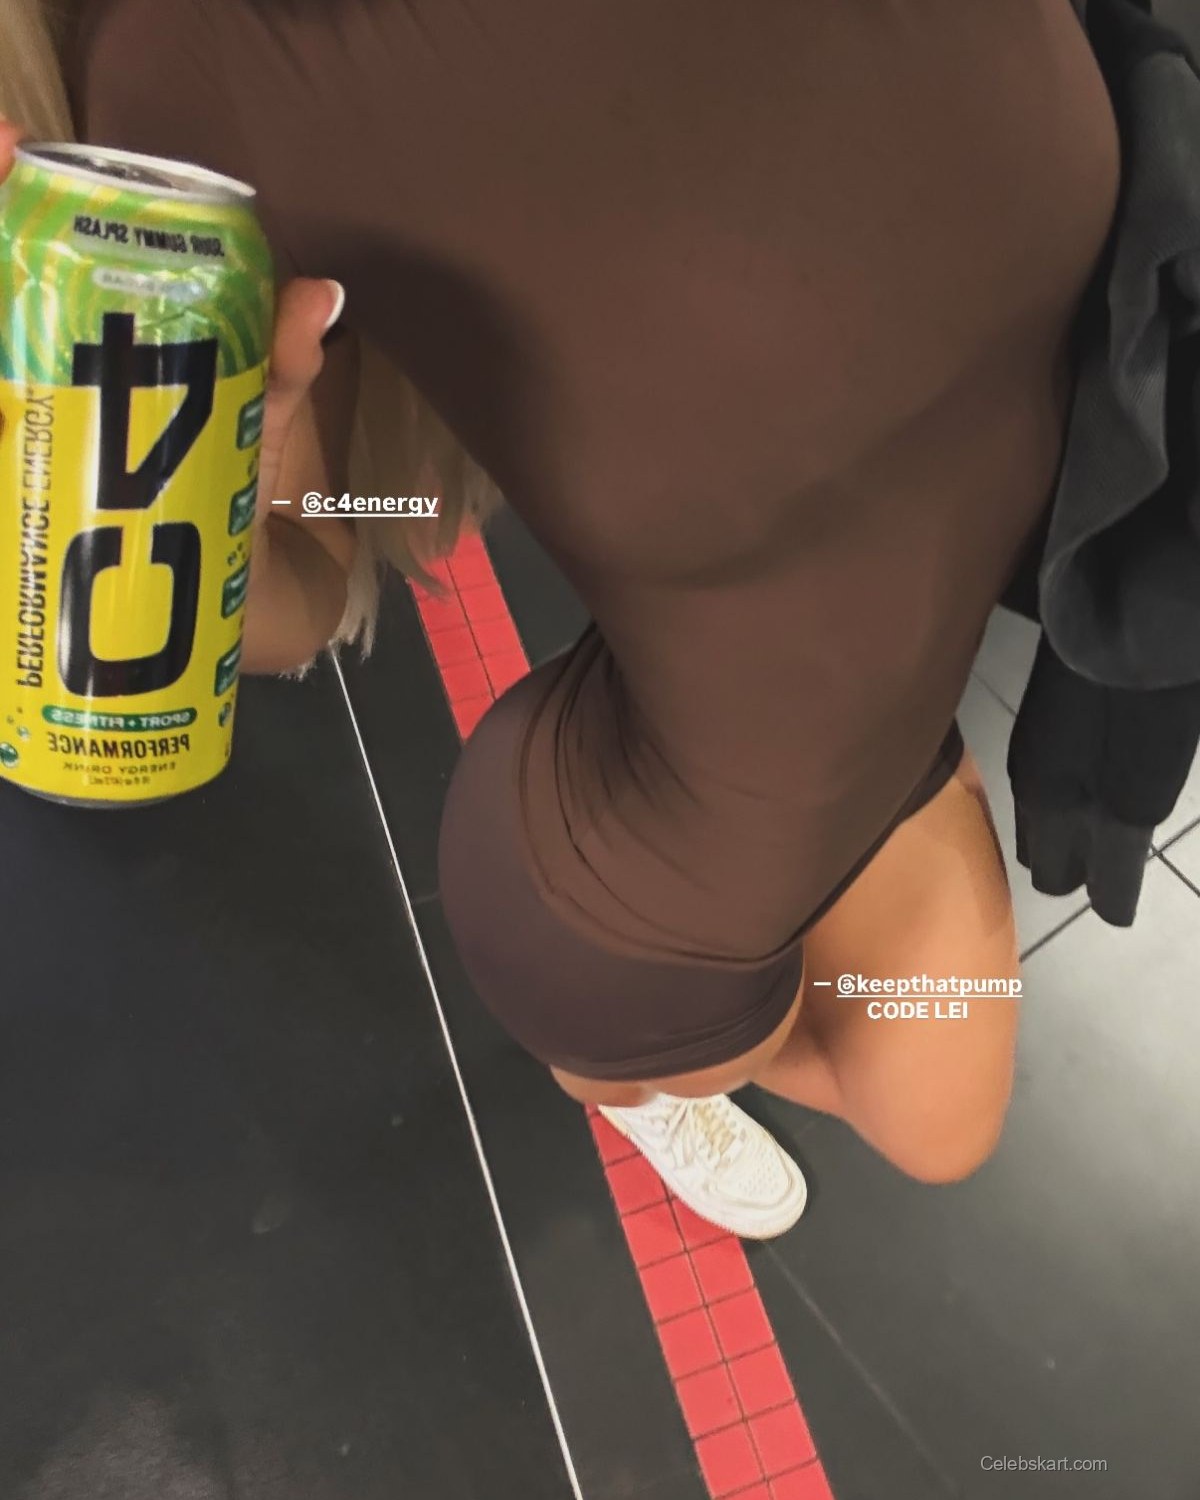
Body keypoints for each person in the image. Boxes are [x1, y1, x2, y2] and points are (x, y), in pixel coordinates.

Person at [1, 0, 1121, 1239]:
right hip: (638, 876)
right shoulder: (199, 71)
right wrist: (229, 495)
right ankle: (635, 1082)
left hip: (862, 665)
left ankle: (696, 1004)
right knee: (926, 1124)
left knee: (938, 1124)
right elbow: (315, 564)